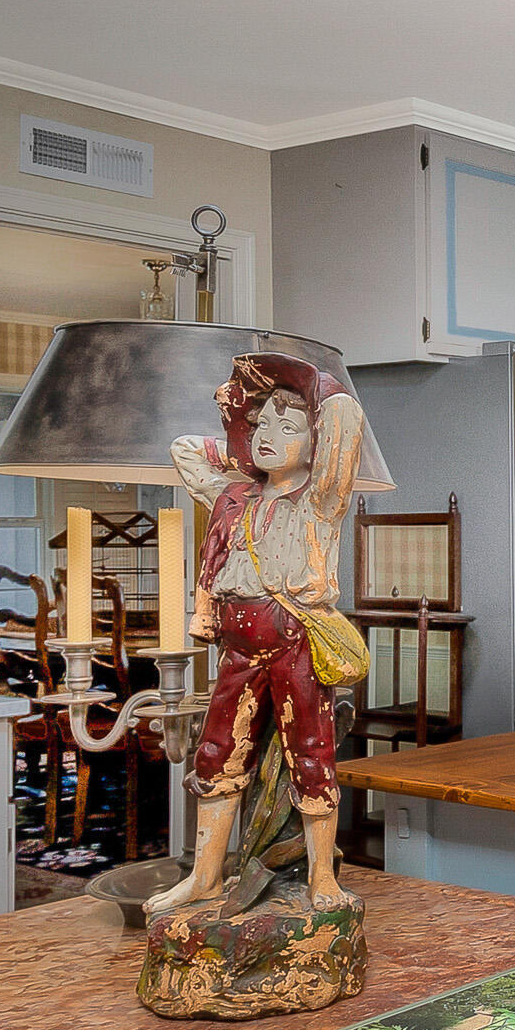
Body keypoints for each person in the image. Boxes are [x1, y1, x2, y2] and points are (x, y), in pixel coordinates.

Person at [146, 351, 365, 916]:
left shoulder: (319, 502)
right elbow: (185, 449)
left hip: (293, 637)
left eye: (287, 427)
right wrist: (242, 438)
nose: (268, 434)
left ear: (314, 444)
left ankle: (321, 877)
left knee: (311, 751)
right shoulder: (232, 497)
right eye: (261, 424)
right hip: (237, 643)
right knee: (217, 751)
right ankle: (204, 877)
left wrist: (316, 389)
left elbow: (343, 423)